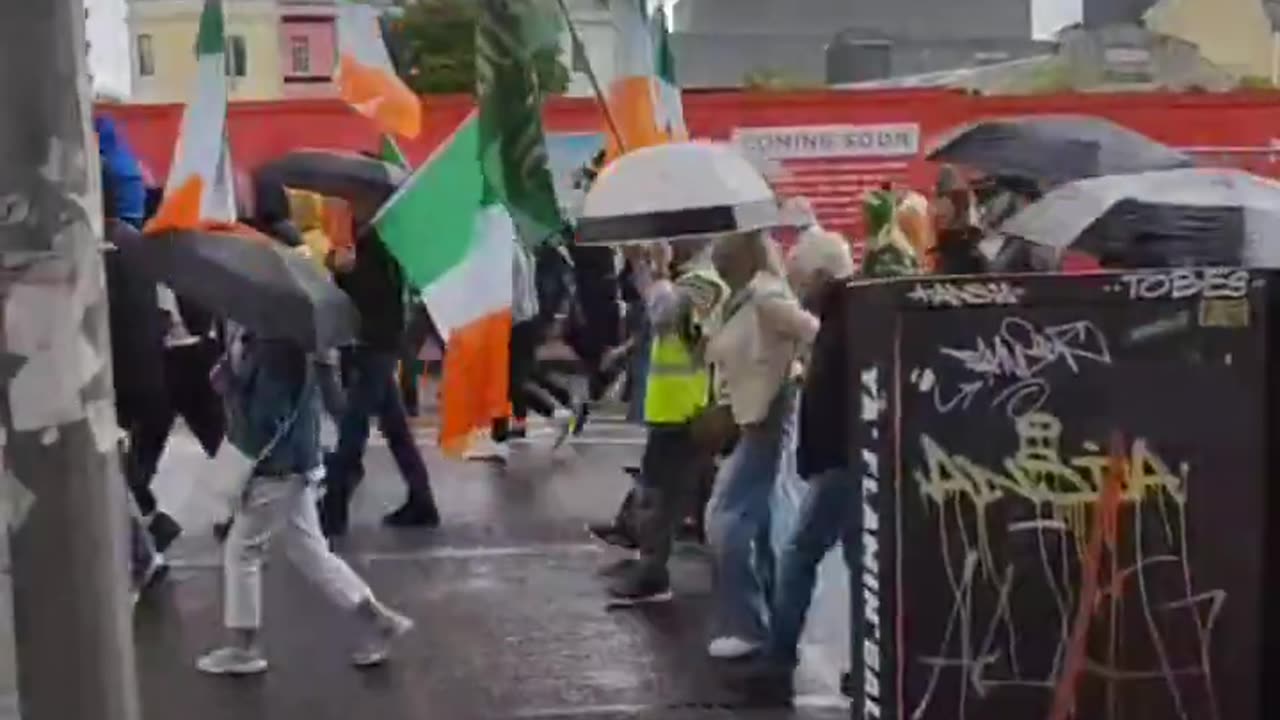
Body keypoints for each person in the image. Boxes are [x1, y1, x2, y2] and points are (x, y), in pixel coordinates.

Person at [196, 325, 413, 675]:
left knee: (243, 551)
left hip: (277, 465)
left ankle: (244, 648)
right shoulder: (278, 337)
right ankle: (378, 619)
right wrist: (231, 375)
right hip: (296, 461)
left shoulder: (277, 345)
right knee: (311, 553)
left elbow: (268, 418)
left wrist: (233, 394)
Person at [730, 229, 859, 704]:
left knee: (801, 555)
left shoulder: (845, 321)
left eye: (803, 279)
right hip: (844, 461)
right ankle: (863, 663)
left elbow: (840, 400)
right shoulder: (846, 316)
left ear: (822, 276)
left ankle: (779, 661)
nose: (799, 289)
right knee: (857, 563)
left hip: (840, 463)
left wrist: (818, 459)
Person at [703, 230, 819, 660]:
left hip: (766, 415)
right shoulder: (741, 297)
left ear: (743, 255)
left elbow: (815, 333)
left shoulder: (766, 297)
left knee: (726, 519)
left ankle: (748, 624)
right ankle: (766, 616)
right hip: (751, 416)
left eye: (723, 252)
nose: (716, 260)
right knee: (761, 521)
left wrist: (794, 374)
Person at [603, 262, 726, 605]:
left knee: (662, 497)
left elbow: (665, 311)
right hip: (672, 412)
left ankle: (652, 574)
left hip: (680, 414)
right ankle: (662, 562)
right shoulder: (686, 286)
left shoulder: (702, 285)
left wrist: (653, 274)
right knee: (693, 490)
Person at [320, 203, 440, 537]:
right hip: (378, 342)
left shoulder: (377, 244)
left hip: (374, 344)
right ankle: (422, 500)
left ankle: (334, 508)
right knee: (395, 428)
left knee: (354, 427)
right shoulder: (376, 239)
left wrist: (344, 270)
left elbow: (371, 296)